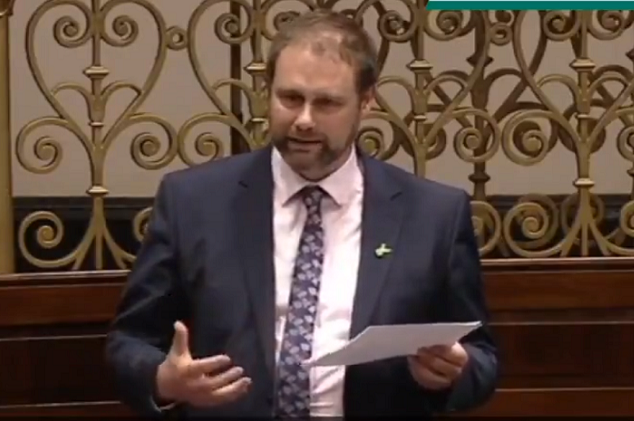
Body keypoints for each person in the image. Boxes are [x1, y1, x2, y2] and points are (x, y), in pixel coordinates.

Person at [105, 8, 498, 418]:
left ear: (366, 103)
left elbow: (482, 359)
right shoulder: (194, 201)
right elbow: (129, 342)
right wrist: (163, 380)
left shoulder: (433, 215)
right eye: (290, 99)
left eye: (327, 103)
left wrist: (454, 372)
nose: (304, 120)